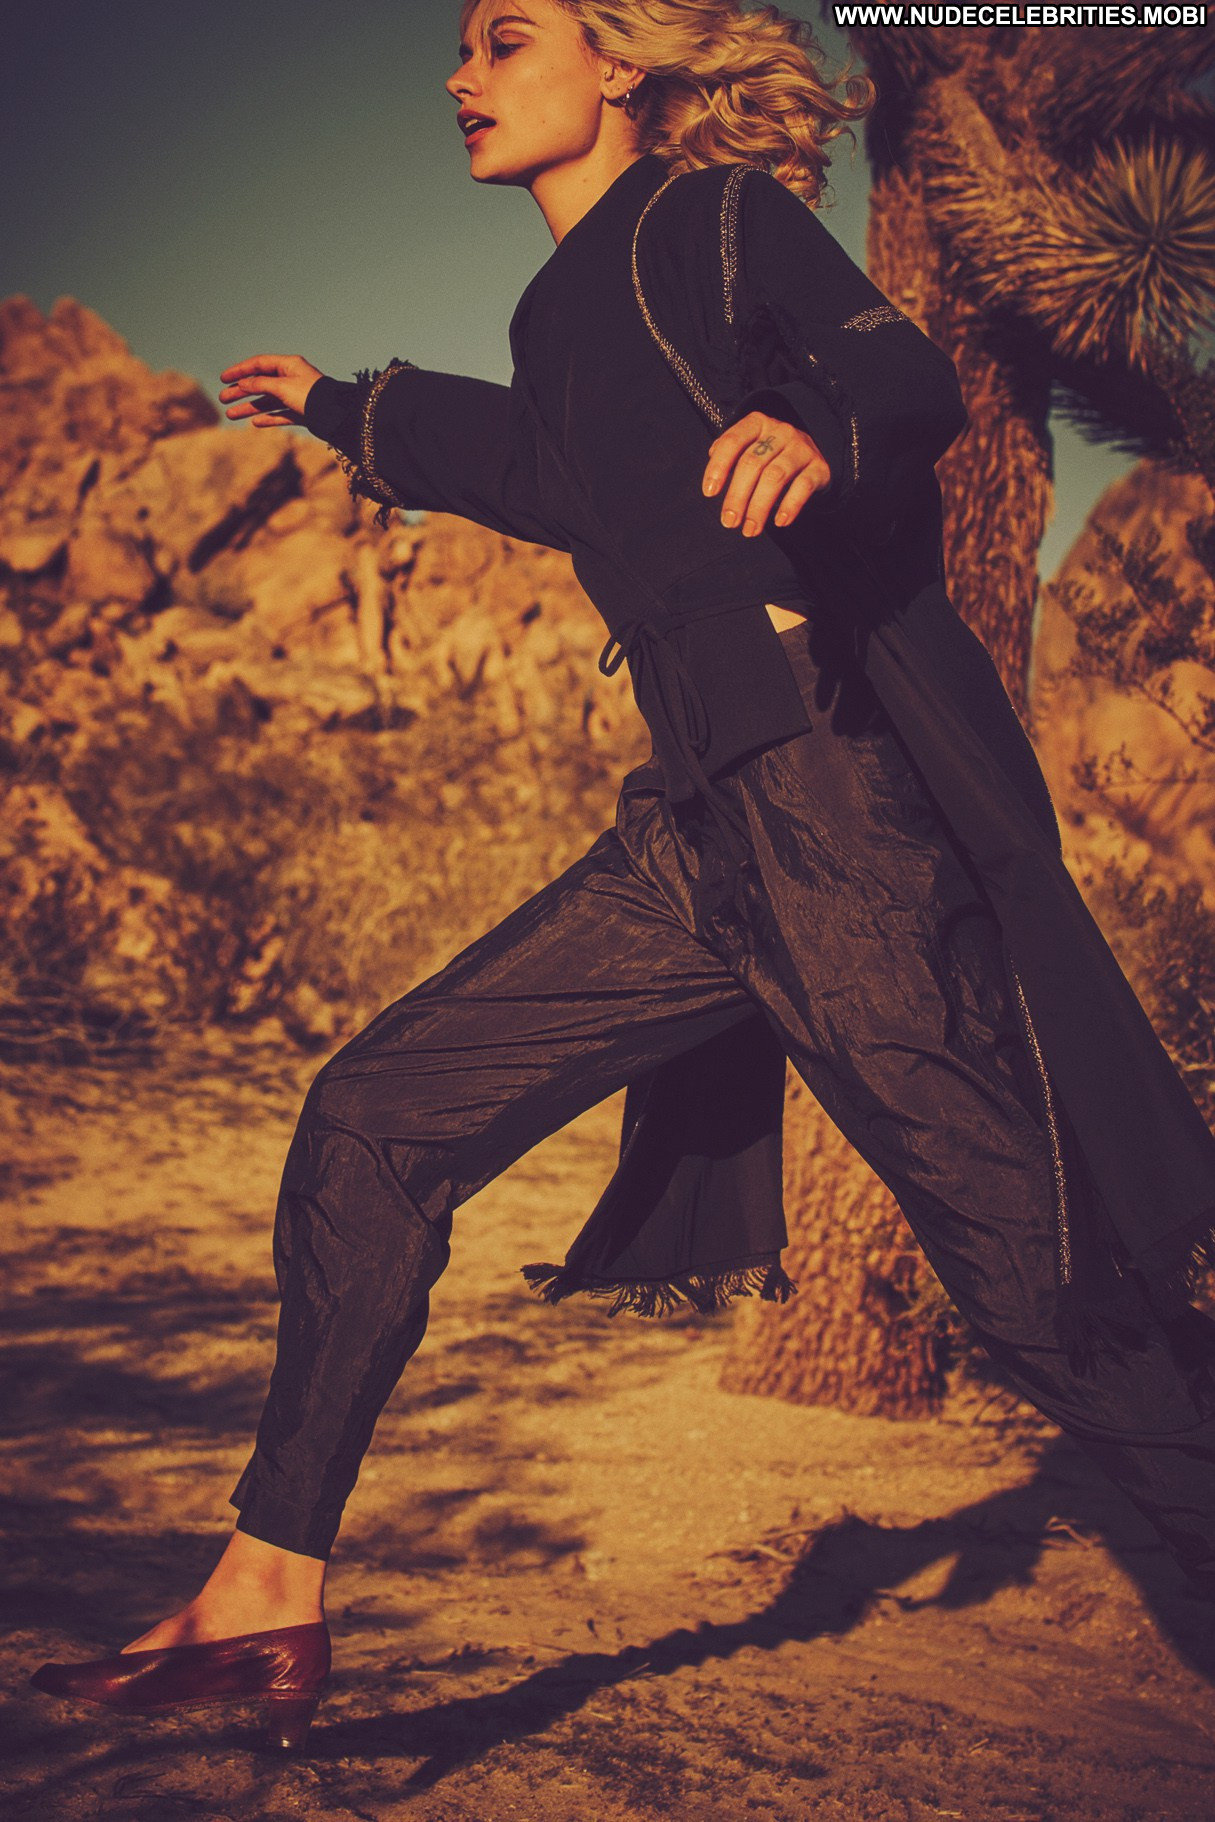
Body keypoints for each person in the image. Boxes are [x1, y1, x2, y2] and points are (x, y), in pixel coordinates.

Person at [31, 0, 1215, 1754]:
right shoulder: (556, 307)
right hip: (694, 839)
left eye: (504, 40)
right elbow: (545, 471)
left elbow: (895, 371)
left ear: (622, 66)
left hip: (834, 817)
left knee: (1038, 1287)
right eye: (458, 49)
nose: (461, 77)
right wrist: (346, 408)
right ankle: (264, 1587)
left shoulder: (712, 216)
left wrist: (810, 429)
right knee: (374, 1116)